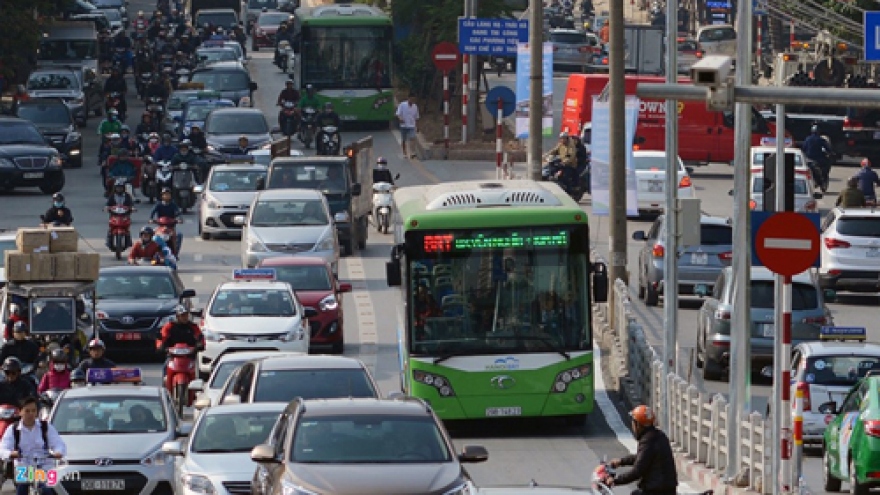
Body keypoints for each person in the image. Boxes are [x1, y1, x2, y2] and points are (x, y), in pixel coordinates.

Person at [0, 396, 66, 495]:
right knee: (21, 489)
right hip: (24, 467)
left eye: (33, 411)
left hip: (44, 465)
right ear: (20, 412)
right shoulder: (13, 429)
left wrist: (58, 452)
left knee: (48, 490)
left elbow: (58, 443)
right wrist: (11, 454)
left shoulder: (45, 426)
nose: (31, 414)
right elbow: (3, 448)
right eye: (27, 411)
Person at [604, 405, 677, 495]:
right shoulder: (659, 436)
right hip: (667, 489)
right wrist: (621, 461)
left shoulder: (647, 441)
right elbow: (642, 457)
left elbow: (637, 471)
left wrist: (615, 481)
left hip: (656, 490)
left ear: (638, 424)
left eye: (633, 422)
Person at [157, 306, 204, 383]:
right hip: (173, 356)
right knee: (166, 367)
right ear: (177, 316)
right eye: (182, 315)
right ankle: (165, 389)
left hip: (189, 356)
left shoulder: (193, 327)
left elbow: (200, 337)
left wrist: (200, 345)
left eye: (186, 315)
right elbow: (162, 337)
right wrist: (161, 346)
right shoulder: (169, 326)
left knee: (197, 372)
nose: (185, 317)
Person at [150, 189, 183, 254]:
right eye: (165, 194)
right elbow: (153, 212)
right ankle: (152, 251)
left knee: (178, 235)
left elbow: (178, 213)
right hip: (160, 227)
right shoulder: (158, 205)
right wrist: (151, 219)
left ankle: (175, 252)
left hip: (171, 227)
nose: (166, 196)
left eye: (168, 194)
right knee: (151, 234)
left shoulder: (173, 205)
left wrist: (179, 219)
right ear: (162, 196)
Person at [802, 125, 834, 190]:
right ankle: (823, 181)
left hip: (809, 159)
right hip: (818, 159)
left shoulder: (807, 139)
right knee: (825, 167)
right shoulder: (821, 140)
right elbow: (827, 148)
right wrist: (831, 152)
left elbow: (804, 148)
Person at [395, 93, 420, 159]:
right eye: (411, 99)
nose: (412, 100)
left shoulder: (415, 106)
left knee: (412, 138)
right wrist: (400, 118)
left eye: (413, 99)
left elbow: (416, 117)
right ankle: (404, 152)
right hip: (403, 125)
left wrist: (417, 126)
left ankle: (412, 153)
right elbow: (398, 113)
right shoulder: (402, 105)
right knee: (404, 139)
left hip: (411, 125)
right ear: (408, 98)